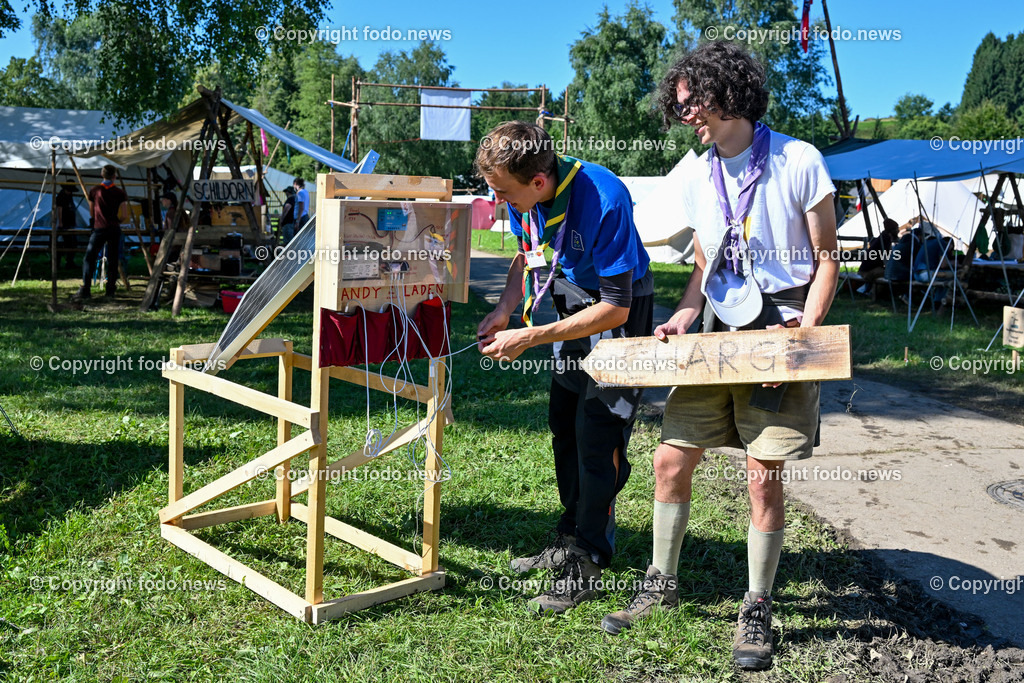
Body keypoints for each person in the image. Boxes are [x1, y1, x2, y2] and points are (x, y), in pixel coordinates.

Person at [599, 41, 839, 672]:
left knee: (764, 478)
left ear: (729, 92)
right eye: (678, 109)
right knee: (671, 461)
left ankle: (757, 605)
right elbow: (706, 261)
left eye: (692, 103)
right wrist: (682, 312)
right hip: (714, 339)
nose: (686, 117)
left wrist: (804, 331)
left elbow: (826, 259)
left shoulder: (799, 160)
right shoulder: (694, 171)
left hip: (780, 334)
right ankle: (661, 581)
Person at [475, 121, 653, 615]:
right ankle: (570, 534)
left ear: (537, 181)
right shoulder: (524, 197)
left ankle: (589, 560)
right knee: (564, 426)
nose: (498, 202)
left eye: (503, 193)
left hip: (618, 308)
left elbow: (616, 307)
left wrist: (529, 335)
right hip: (573, 303)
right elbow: (525, 255)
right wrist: (507, 308)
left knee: (599, 436)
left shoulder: (605, 196)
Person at [77, 165, 128, 299]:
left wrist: (97, 220)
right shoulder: (119, 192)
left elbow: (92, 212)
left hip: (99, 227)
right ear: (114, 176)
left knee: (89, 258)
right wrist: (117, 220)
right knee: (113, 259)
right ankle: (110, 290)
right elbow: (124, 214)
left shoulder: (95, 191)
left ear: (102, 174)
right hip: (113, 228)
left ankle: (86, 289)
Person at [856, 218, 899, 294]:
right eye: (896, 229)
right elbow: (886, 258)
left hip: (867, 269)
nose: (898, 231)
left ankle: (868, 290)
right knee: (888, 274)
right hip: (867, 271)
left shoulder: (883, 238)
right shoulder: (885, 239)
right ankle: (872, 292)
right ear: (892, 230)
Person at [55, 183, 78, 269]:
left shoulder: (69, 196)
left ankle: (69, 262)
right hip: (64, 224)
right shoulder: (61, 196)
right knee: (64, 244)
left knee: (72, 243)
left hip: (70, 223)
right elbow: (59, 209)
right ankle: (59, 262)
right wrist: (60, 222)